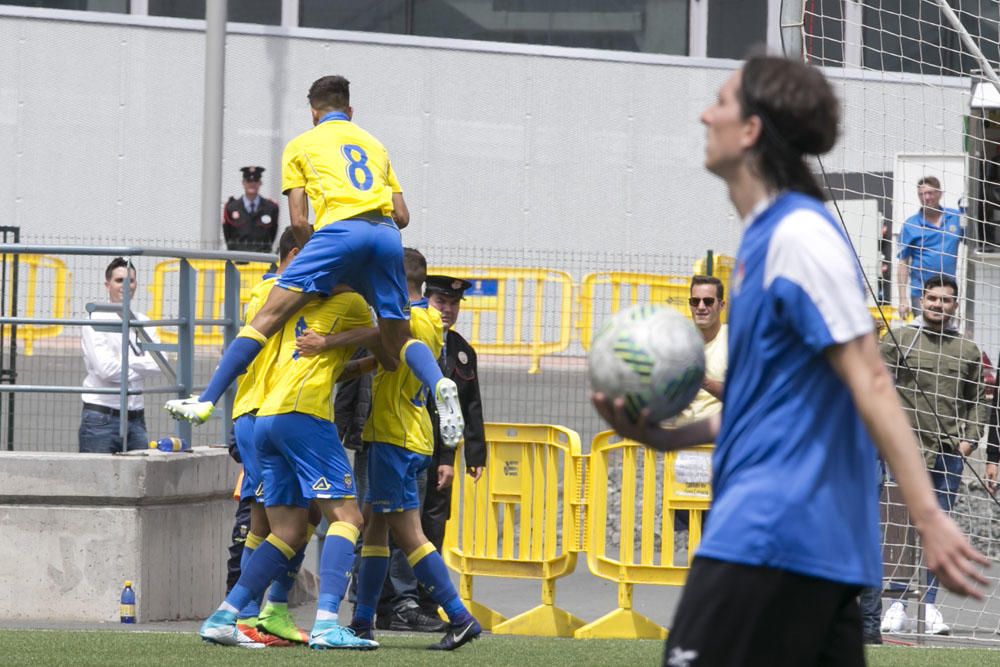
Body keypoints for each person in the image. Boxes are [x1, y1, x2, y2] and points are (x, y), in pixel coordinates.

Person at [592, 56, 987, 667]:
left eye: (720, 101)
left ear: (750, 130)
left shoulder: (798, 238)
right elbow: (769, 407)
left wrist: (928, 515)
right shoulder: (762, 240)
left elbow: (872, 381)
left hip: (769, 537)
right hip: (805, 550)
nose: (704, 113)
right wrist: (667, 437)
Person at [166, 75, 463, 452]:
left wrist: (323, 264)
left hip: (339, 234)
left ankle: (206, 398)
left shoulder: (301, 146)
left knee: (268, 317)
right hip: (386, 233)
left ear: (313, 114)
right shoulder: (375, 145)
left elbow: (299, 221)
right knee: (399, 337)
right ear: (350, 110)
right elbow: (402, 215)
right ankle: (439, 383)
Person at [198, 278, 381, 650]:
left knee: (288, 530)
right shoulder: (352, 302)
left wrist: (340, 354)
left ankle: (228, 614)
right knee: (349, 518)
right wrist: (355, 341)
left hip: (265, 417)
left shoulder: (284, 300)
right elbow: (391, 346)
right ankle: (327, 623)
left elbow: (325, 366)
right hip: (305, 414)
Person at [346, 248, 482, 650]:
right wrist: (350, 366)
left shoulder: (402, 320)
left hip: (394, 436)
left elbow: (400, 351)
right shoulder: (425, 318)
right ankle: (361, 621)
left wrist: (331, 343)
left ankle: (459, 617)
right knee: (374, 529)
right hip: (410, 435)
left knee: (410, 536)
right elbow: (388, 358)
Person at [371, 273, 489, 630]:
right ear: (427, 300)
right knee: (392, 527)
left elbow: (470, 408)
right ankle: (391, 604)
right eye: (441, 303)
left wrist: (472, 456)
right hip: (409, 443)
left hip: (436, 451)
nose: (447, 310)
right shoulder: (412, 335)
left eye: (453, 305)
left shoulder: (461, 351)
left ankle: (423, 602)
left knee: (430, 526)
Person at [878, 274, 988, 636]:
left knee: (937, 528)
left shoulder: (968, 350)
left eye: (946, 300)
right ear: (920, 300)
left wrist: (970, 440)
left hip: (947, 454)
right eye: (933, 299)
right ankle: (895, 603)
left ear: (956, 305)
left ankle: (928, 606)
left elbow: (978, 401)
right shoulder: (900, 339)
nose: (939, 306)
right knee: (899, 530)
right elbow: (875, 384)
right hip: (906, 452)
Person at [79, 257, 161, 453]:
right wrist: (141, 365)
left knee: (138, 481)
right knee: (97, 480)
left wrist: (124, 363)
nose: (126, 286)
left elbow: (159, 365)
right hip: (101, 418)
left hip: (136, 417)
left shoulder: (144, 321)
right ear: (107, 285)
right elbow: (106, 370)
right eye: (119, 281)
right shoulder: (95, 320)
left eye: (130, 281)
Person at [670, 274, 727, 548]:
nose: (701, 307)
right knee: (695, 535)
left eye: (708, 301)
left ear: (721, 305)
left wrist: (703, 380)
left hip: (722, 454)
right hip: (688, 455)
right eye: (695, 301)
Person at [897, 176, 963, 320]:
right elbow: (903, 262)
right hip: (921, 293)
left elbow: (973, 239)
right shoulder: (910, 225)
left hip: (948, 292)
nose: (926, 197)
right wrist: (902, 299)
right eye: (921, 194)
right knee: (924, 336)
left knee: (946, 336)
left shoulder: (955, 218)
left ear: (940, 193)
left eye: (930, 193)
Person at [223, 166, 280, 253]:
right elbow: (228, 234)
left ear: (260, 183)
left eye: (256, 180)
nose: (252, 184)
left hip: (262, 259)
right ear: (243, 183)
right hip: (238, 258)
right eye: (249, 181)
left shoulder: (270, 208)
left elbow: (273, 233)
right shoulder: (231, 207)